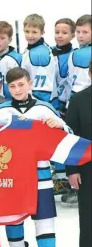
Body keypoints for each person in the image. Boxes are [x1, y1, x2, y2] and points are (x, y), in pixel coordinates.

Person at [0, 67, 74, 247]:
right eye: (12, 86)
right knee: (13, 216)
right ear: (7, 88)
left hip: (41, 175)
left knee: (44, 217)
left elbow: (68, 137)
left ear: (30, 84)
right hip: (11, 176)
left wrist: (61, 126)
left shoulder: (44, 109)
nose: (17, 90)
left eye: (21, 84)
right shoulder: (0, 111)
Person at [65, 61, 92, 247]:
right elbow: (70, 138)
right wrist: (71, 169)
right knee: (89, 216)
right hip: (87, 168)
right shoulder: (79, 99)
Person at [61, 14, 91, 205]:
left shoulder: (80, 54)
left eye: (85, 32)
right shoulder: (74, 54)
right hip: (77, 104)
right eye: (78, 32)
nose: (80, 35)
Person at [51, 18, 76, 196]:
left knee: (69, 141)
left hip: (68, 104)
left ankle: (71, 180)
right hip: (55, 103)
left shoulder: (74, 55)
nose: (60, 36)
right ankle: (60, 180)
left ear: (72, 35)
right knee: (55, 141)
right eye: (57, 32)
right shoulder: (49, 53)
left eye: (64, 33)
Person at [21, 14, 58, 107]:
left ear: (42, 32)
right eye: (27, 31)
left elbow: (42, 89)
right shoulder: (33, 49)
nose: (30, 35)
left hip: (38, 103)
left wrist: (32, 105)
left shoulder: (39, 53)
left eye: (34, 32)